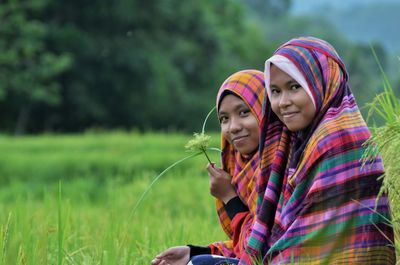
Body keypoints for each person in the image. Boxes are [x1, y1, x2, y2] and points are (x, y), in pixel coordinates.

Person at [239, 36, 396, 264]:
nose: (283, 102)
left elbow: (304, 248)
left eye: (294, 87)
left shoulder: (336, 139)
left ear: (325, 82)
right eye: (275, 91)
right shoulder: (301, 140)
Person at [151, 69, 279, 265]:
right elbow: (244, 245)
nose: (233, 127)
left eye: (244, 112)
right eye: (224, 119)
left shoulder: (283, 168)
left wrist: (229, 197)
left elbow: (259, 252)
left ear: (267, 112)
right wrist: (193, 252)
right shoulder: (242, 169)